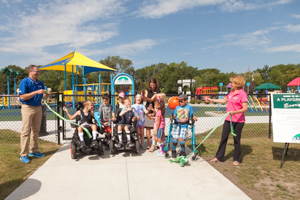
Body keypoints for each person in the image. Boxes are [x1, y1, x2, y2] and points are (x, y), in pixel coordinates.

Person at [206, 76, 247, 166]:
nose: (230, 84)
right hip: (228, 119)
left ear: (237, 84)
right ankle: (219, 157)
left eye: (232, 83)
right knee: (223, 138)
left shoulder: (242, 93)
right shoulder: (231, 93)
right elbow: (224, 101)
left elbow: (245, 108)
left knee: (236, 140)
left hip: (238, 121)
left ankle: (237, 159)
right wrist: (211, 100)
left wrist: (234, 112)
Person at [19, 65, 49, 164]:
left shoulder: (40, 83)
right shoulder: (24, 82)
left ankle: (34, 151)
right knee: (26, 131)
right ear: (30, 71)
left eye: (38, 71)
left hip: (38, 107)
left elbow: (43, 96)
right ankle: (23, 154)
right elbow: (22, 97)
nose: (38, 73)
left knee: (36, 131)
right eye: (37, 71)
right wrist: (36, 92)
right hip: (27, 107)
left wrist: (46, 95)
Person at [171, 94, 198, 158]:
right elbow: (175, 115)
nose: (180, 103)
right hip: (177, 124)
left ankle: (183, 151)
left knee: (181, 139)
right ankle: (173, 151)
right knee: (175, 138)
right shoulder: (177, 107)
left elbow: (192, 115)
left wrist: (194, 117)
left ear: (186, 100)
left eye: (181, 101)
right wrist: (172, 117)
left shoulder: (189, 107)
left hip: (184, 125)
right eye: (179, 101)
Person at [143, 78, 161, 149]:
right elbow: (145, 98)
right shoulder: (147, 89)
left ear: (156, 84)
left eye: (153, 85)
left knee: (156, 128)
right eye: (151, 85)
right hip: (148, 109)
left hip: (155, 109)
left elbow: (154, 99)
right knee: (147, 128)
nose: (152, 86)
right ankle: (149, 144)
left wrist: (148, 99)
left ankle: (156, 143)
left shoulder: (158, 90)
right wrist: (144, 96)